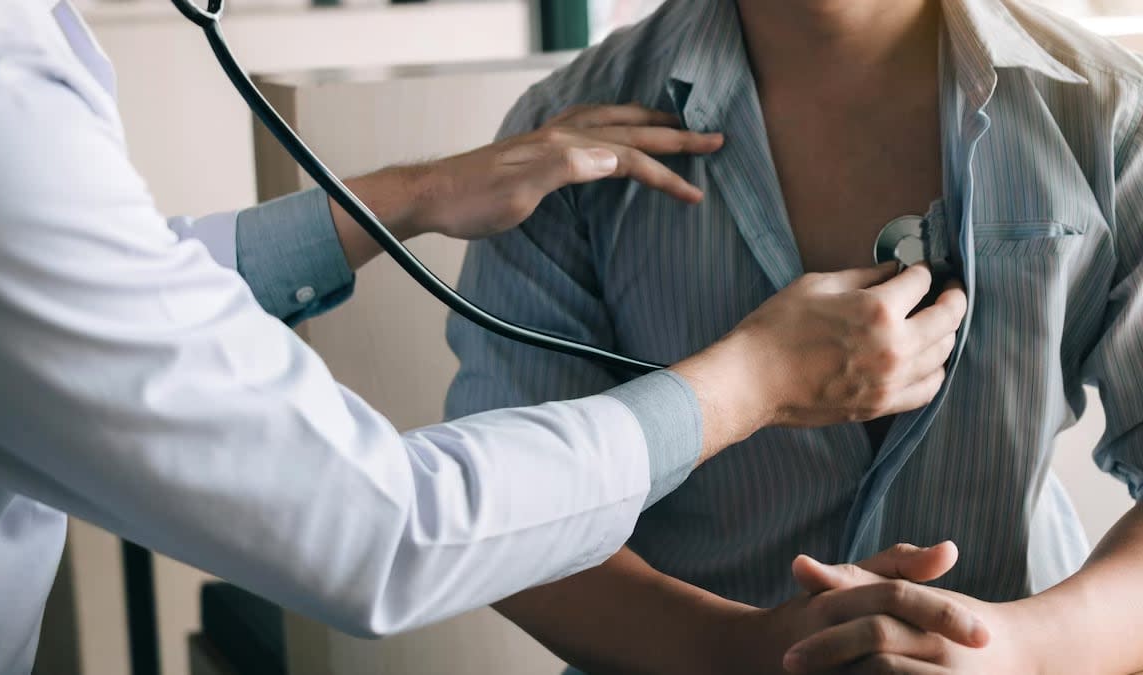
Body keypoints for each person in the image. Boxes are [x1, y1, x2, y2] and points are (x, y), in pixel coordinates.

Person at [0, 1, 974, 673]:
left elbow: (96, 300)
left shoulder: (1100, 111)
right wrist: (748, 383)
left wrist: (413, 198)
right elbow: (386, 532)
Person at [445, 0, 1143, 672]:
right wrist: (735, 651)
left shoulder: (1110, 115)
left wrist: (1030, 651)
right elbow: (508, 520)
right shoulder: (561, 139)